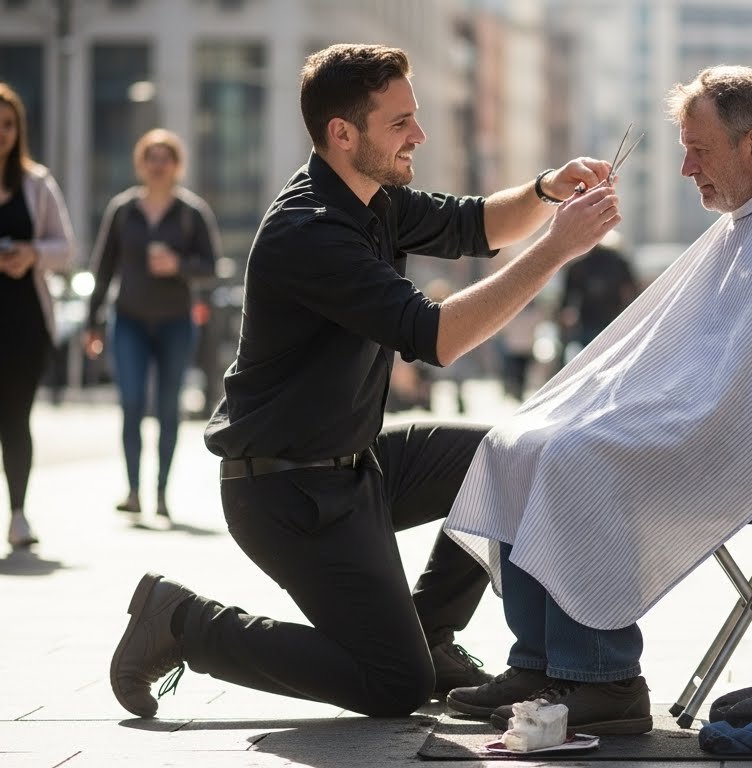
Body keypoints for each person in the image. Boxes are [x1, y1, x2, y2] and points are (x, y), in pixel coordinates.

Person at [108, 43, 622, 720]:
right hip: (287, 492)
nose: (420, 134)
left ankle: (429, 633)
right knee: (393, 686)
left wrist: (547, 188)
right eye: (400, 122)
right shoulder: (310, 231)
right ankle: (183, 622)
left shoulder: (374, 199)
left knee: (510, 457)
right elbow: (437, 336)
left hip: (357, 465)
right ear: (343, 134)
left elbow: (475, 223)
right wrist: (557, 247)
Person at [443, 65, 752, 735]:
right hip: (744, 425)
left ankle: (604, 678)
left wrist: (656, 417)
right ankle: (539, 662)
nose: (685, 168)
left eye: (698, 149)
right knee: (519, 440)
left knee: (582, 457)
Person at [82, 129, 222, 525]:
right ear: (140, 164)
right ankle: (132, 491)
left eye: (166, 159)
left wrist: (179, 265)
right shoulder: (122, 210)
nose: (158, 166)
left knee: (167, 407)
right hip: (128, 320)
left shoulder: (192, 213)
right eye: (151, 158)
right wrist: (92, 322)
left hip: (176, 323)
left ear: (177, 166)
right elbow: (102, 268)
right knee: (130, 403)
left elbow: (212, 267)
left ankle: (161, 493)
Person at [0, 82, 75, 551]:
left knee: (15, 420)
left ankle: (18, 516)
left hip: (25, 324)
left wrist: (32, 253)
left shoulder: (37, 183)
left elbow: (66, 249)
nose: (1, 133)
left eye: (8, 125)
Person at [556, 230, 637, 366]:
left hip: (588, 320)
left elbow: (568, 299)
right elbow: (630, 292)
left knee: (589, 360)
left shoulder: (578, 266)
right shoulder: (619, 263)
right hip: (613, 319)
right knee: (611, 359)